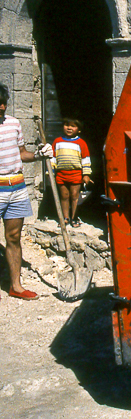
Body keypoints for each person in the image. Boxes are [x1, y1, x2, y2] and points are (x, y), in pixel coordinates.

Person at [0, 83, 53, 300]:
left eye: (3, 103)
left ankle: (16, 286)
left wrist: (40, 154)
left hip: (17, 188)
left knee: (13, 237)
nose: (2, 107)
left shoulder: (13, 123)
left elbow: (22, 153)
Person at [51, 118, 93, 227]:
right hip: (61, 174)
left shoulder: (81, 143)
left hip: (76, 174)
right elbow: (53, 158)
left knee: (75, 196)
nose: (69, 128)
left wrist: (86, 174)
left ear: (79, 130)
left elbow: (85, 159)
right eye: (67, 125)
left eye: (73, 126)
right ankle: (65, 218)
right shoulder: (57, 141)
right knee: (64, 196)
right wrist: (50, 171)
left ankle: (74, 217)